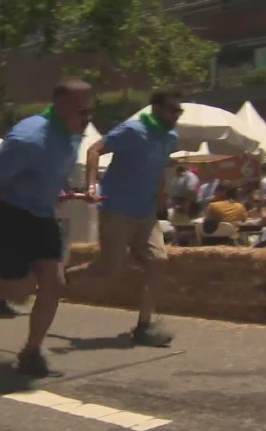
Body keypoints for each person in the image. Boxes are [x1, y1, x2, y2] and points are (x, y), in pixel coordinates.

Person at [0, 78, 94, 377]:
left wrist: (57, 187)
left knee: (54, 282)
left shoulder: (73, 132)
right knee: (18, 293)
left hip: (41, 216)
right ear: (60, 108)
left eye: (90, 112)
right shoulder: (28, 138)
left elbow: (54, 166)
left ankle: (32, 351)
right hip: (9, 214)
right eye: (82, 112)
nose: (87, 119)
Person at [66, 89, 184, 347]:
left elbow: (161, 167)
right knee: (109, 269)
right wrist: (90, 186)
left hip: (146, 212)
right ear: (155, 108)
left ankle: (144, 325)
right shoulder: (132, 130)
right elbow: (95, 150)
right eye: (172, 110)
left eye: (179, 111)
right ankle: (64, 277)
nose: (177, 115)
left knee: (159, 261)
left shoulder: (170, 137)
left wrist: (161, 199)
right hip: (117, 208)